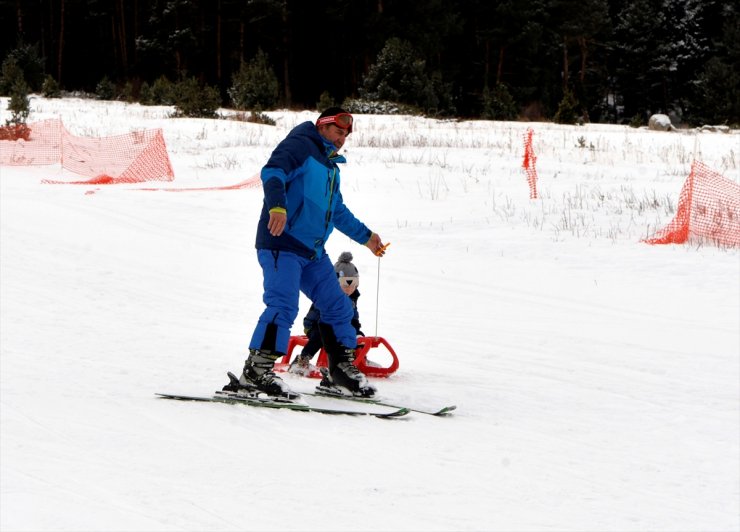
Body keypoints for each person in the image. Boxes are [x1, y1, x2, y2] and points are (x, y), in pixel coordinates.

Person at [226, 107, 386, 399]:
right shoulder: (301, 145)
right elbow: (273, 171)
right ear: (322, 127)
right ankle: (255, 373)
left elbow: (336, 210)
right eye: (338, 132)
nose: (342, 140)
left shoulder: (329, 166)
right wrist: (277, 206)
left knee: (340, 307)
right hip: (281, 243)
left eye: (346, 136)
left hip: (312, 252)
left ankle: (338, 372)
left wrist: (367, 237)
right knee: (283, 305)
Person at [288, 252, 363, 377]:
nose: (350, 289)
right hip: (316, 325)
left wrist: (357, 330)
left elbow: (353, 317)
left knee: (354, 336)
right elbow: (320, 317)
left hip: (338, 327)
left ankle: (358, 361)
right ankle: (302, 360)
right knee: (320, 335)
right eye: (346, 284)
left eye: (354, 285)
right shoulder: (327, 295)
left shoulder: (353, 297)